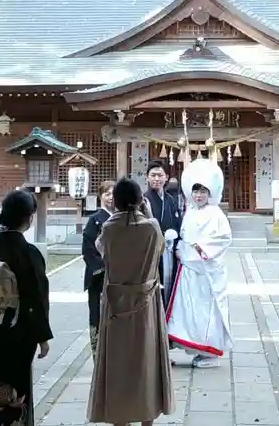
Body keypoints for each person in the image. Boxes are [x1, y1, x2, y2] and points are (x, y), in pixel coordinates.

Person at [88, 177, 175, 426]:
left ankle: (119, 418)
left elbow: (101, 249)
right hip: (146, 303)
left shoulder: (109, 228)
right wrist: (146, 213)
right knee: (146, 360)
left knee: (118, 361)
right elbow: (159, 249)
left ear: (115, 201)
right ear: (140, 200)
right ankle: (147, 417)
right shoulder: (151, 227)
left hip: (115, 301)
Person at [0, 189, 53, 426]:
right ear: (29, 217)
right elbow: (36, 299)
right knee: (15, 390)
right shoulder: (28, 253)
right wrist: (42, 337)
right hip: (17, 331)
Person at [167, 158, 232, 368]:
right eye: (195, 192)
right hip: (188, 269)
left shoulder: (216, 214)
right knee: (188, 310)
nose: (198, 195)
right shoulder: (190, 212)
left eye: (203, 192)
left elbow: (223, 238)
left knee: (206, 310)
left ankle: (210, 351)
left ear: (210, 193)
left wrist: (200, 248)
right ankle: (196, 347)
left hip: (206, 271)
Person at [82, 180, 115, 358]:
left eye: (114, 193)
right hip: (99, 278)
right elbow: (88, 249)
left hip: (118, 278)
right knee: (97, 316)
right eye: (107, 194)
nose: (111, 198)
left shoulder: (121, 218)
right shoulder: (94, 220)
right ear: (100, 197)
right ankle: (98, 355)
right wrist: (103, 267)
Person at [144, 160, 181, 308]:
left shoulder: (171, 200)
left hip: (169, 250)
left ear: (166, 177)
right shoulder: (143, 200)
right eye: (153, 175)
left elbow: (178, 223)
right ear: (147, 177)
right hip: (152, 252)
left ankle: (168, 321)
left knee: (170, 284)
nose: (156, 179)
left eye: (160, 175)